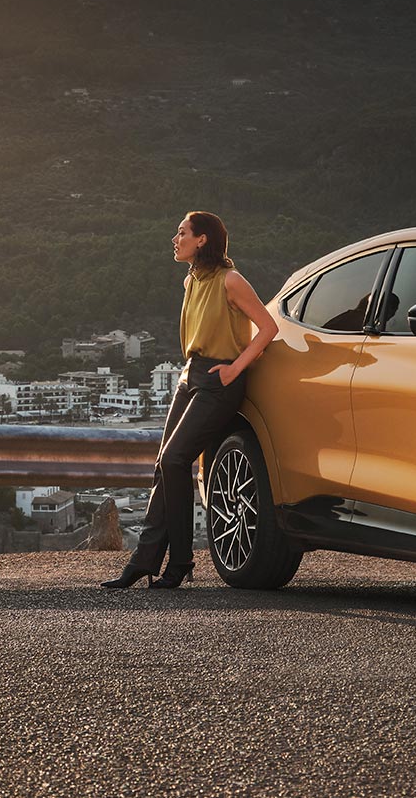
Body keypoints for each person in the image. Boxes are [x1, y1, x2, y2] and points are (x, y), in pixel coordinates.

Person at [102, 211, 278, 589]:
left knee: (174, 458)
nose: (175, 238)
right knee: (164, 466)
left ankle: (179, 562)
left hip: (219, 380)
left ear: (202, 240)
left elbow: (268, 327)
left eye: (182, 232)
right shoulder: (190, 281)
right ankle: (146, 560)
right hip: (190, 375)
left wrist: (236, 369)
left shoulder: (230, 280)